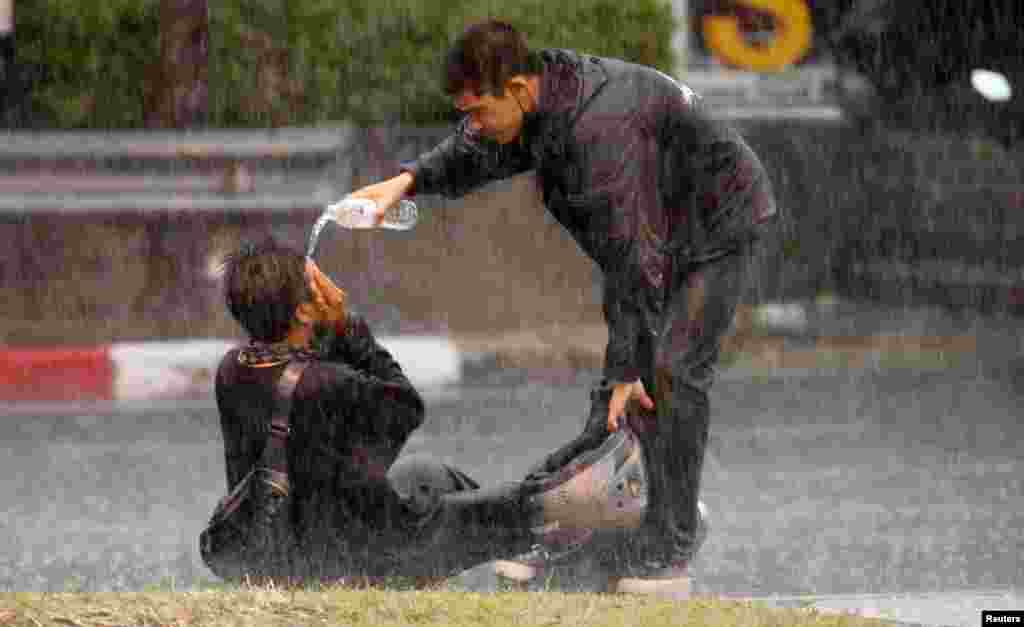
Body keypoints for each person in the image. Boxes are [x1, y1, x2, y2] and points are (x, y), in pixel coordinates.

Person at [346, 19, 777, 596]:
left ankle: (668, 548)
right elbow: (479, 152)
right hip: (657, 229)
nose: (470, 126)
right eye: (463, 114)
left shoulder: (597, 129)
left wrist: (628, 367)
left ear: (519, 91)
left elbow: (633, 256)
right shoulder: (539, 100)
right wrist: (408, 180)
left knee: (670, 376)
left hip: (719, 221)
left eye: (477, 111)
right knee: (623, 390)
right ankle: (599, 529)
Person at [212, 238, 544, 585]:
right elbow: (407, 407)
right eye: (315, 285)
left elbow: (301, 373)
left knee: (425, 472)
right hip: (352, 564)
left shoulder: (231, 372)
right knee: (511, 506)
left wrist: (319, 325)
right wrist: (347, 327)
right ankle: (550, 551)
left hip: (274, 555)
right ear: (304, 310)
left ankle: (517, 559)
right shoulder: (329, 384)